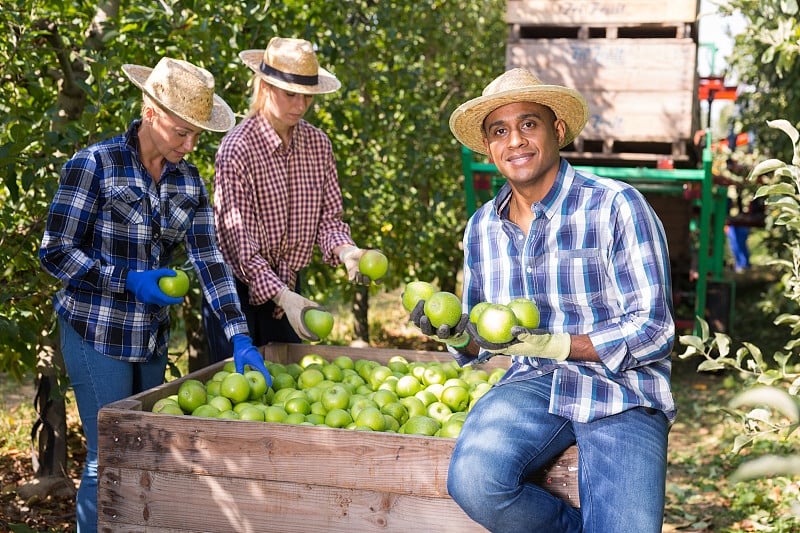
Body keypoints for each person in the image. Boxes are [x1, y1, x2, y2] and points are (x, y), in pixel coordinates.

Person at [410, 68, 676, 532]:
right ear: (489, 149)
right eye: (500, 131)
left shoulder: (616, 205)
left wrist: (557, 343)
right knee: (475, 481)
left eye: (528, 124)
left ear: (556, 130)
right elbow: (482, 337)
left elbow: (655, 330)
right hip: (533, 384)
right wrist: (450, 332)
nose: (515, 141)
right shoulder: (481, 228)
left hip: (623, 389)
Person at [39, 57, 271, 532]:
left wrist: (240, 335)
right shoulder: (95, 165)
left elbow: (210, 261)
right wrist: (125, 278)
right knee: (108, 455)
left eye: (198, 135)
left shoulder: (188, 180)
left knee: (150, 451)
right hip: (96, 329)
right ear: (150, 113)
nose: (190, 145)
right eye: (182, 132)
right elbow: (55, 252)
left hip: (149, 336)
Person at [202, 36, 383, 361]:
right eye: (290, 95)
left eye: (307, 97)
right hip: (236, 292)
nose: (300, 106)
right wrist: (283, 297)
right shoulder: (237, 149)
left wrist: (347, 251)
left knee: (286, 393)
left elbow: (328, 221)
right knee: (233, 400)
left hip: (288, 288)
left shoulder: (317, 145)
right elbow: (238, 244)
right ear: (265, 87)